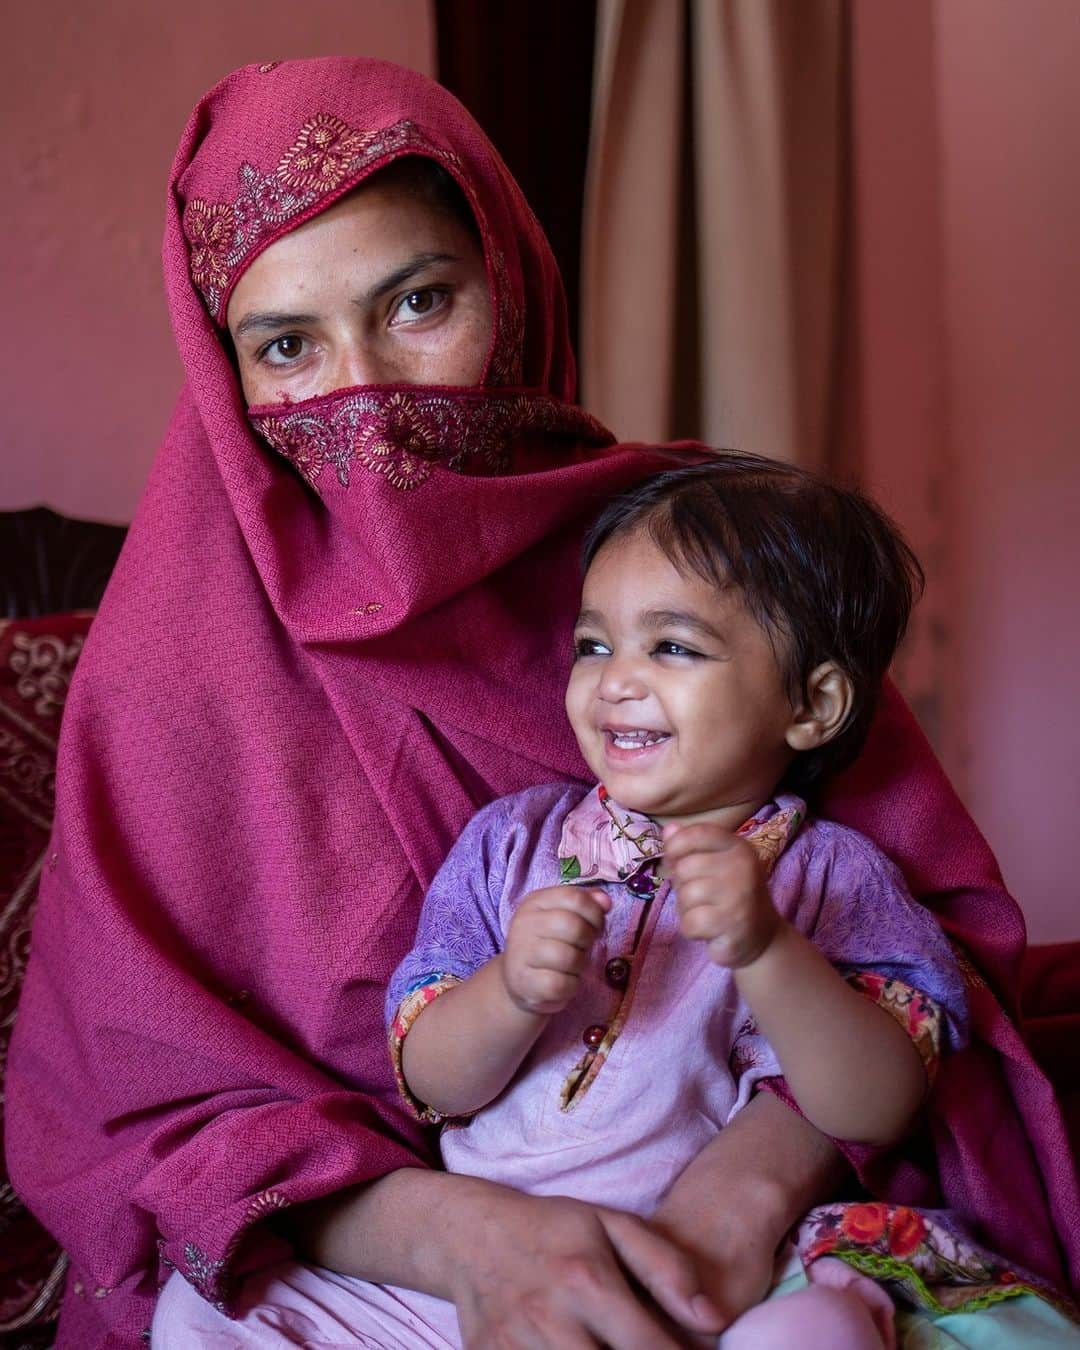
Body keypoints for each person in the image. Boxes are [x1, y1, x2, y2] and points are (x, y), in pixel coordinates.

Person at [6, 56, 1077, 1350]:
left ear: (509, 286)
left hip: (727, 1249)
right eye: (286, 344)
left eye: (418, 303)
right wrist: (474, 1243)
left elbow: (922, 961)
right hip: (386, 1265)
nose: (364, 392)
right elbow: (138, 1110)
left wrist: (737, 1201)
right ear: (223, 372)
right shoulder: (161, 682)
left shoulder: (690, 569)